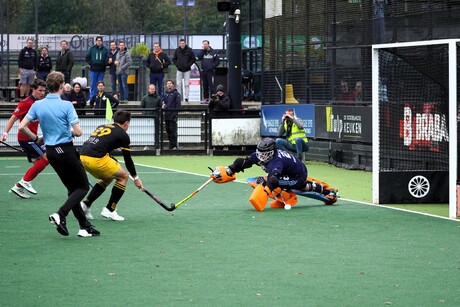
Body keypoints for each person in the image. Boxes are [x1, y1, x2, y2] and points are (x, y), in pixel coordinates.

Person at [18, 71, 99, 238]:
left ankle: (85, 226)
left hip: (51, 153)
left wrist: (37, 139)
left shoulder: (38, 105)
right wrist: (70, 130)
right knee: (83, 186)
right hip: (66, 150)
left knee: (72, 189)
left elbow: (21, 127)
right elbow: (78, 132)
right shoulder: (66, 105)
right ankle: (61, 214)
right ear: (62, 85)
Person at [210, 138, 338, 211]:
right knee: (268, 180)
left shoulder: (276, 163)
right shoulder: (262, 156)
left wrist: (265, 191)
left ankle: (327, 193)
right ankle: (286, 197)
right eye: (259, 152)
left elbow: (274, 180)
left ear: (271, 152)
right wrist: (229, 170)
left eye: (264, 154)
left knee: (293, 185)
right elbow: (245, 162)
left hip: (297, 176)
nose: (261, 156)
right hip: (292, 170)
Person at [79, 110, 144, 221]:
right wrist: (136, 178)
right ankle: (110, 209)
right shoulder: (123, 135)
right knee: (123, 176)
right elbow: (128, 159)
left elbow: (99, 144)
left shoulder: (102, 126)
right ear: (126, 123)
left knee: (108, 177)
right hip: (97, 159)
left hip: (82, 157)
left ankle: (86, 204)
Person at [2, 79, 48, 199]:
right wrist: (5, 133)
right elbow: (13, 118)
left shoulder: (40, 102)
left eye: (44, 90)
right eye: (40, 90)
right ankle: (25, 181)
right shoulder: (26, 103)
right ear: (33, 90)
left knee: (39, 163)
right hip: (26, 138)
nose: (42, 93)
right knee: (45, 159)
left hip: (33, 138)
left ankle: (18, 186)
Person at [162, 80, 181, 149]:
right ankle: (171, 144)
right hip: (167, 115)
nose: (169, 85)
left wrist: (175, 114)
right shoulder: (165, 94)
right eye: (167, 83)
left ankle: (175, 145)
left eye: (170, 83)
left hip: (173, 115)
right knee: (168, 130)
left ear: (173, 85)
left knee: (173, 130)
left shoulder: (176, 93)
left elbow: (178, 104)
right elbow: (163, 102)